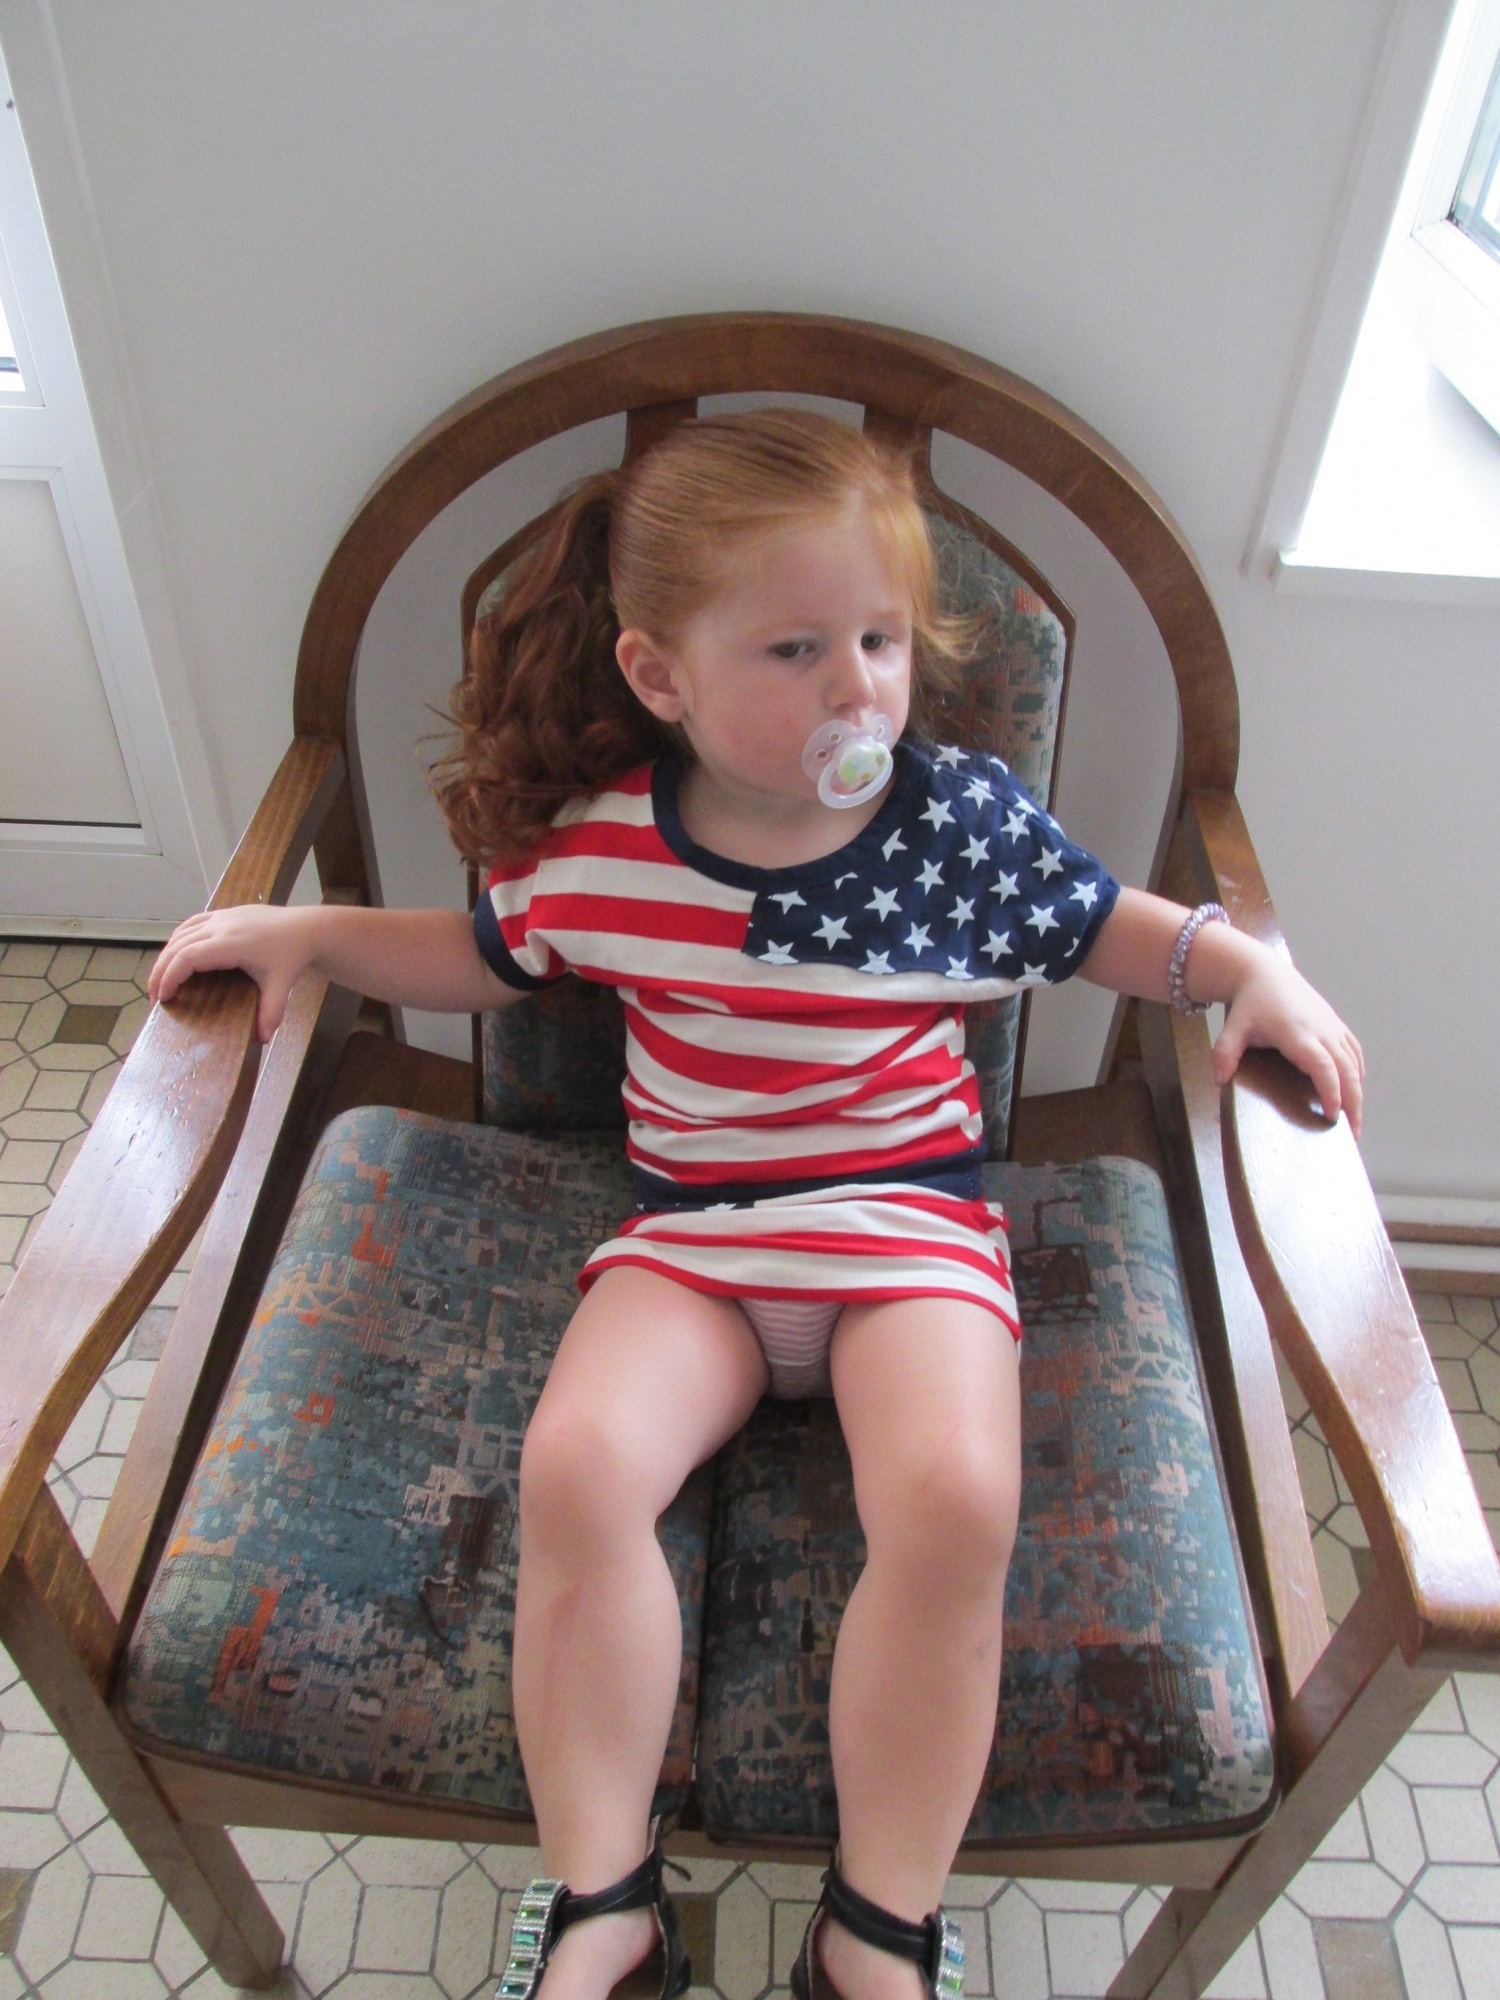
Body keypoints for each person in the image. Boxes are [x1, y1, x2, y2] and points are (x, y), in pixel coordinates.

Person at [149, 411, 1363, 2000]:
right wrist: (311, 939)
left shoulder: (953, 825)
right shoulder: (604, 850)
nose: (857, 687)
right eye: (796, 650)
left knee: (956, 1501)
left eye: (880, 640)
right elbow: (483, 960)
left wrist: (1249, 970)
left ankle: (877, 1927)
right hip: (698, 1234)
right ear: (662, 676)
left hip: (905, 1225)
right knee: (577, 1469)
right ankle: (602, 1903)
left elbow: (1106, 930)